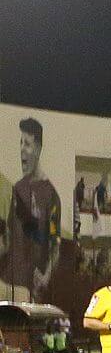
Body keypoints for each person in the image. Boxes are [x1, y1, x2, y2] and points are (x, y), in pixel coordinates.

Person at [2, 117, 62, 303]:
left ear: (38, 148)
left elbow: (55, 245)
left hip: (28, 289)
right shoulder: (17, 188)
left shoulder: (51, 196)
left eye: (27, 143)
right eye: (20, 142)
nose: (22, 148)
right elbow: (8, 239)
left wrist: (46, 277)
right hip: (7, 284)